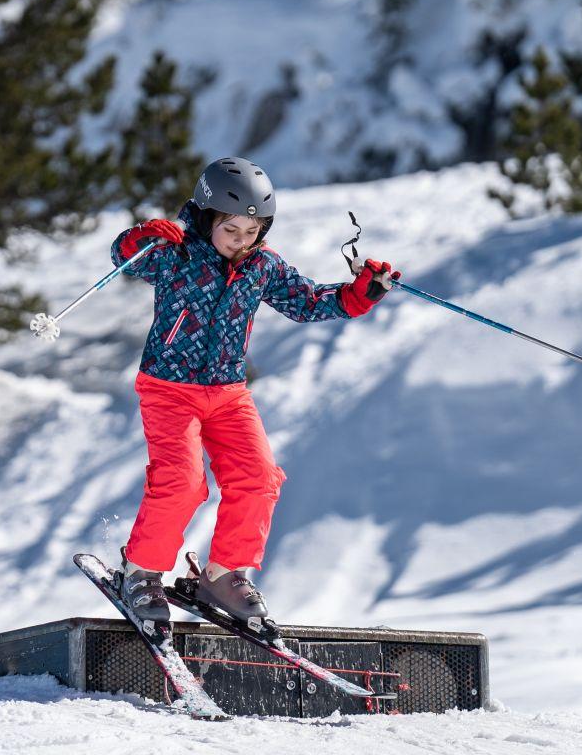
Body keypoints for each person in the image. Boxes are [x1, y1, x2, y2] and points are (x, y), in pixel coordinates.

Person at [110, 156, 396, 625]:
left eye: (253, 231)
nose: (242, 241)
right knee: (182, 483)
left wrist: (358, 294)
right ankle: (140, 572)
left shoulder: (260, 266)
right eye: (232, 230)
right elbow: (125, 260)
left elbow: (306, 302)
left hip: (227, 393)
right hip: (169, 389)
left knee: (260, 478)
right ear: (207, 217)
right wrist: (139, 238)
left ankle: (223, 574)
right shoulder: (175, 252)